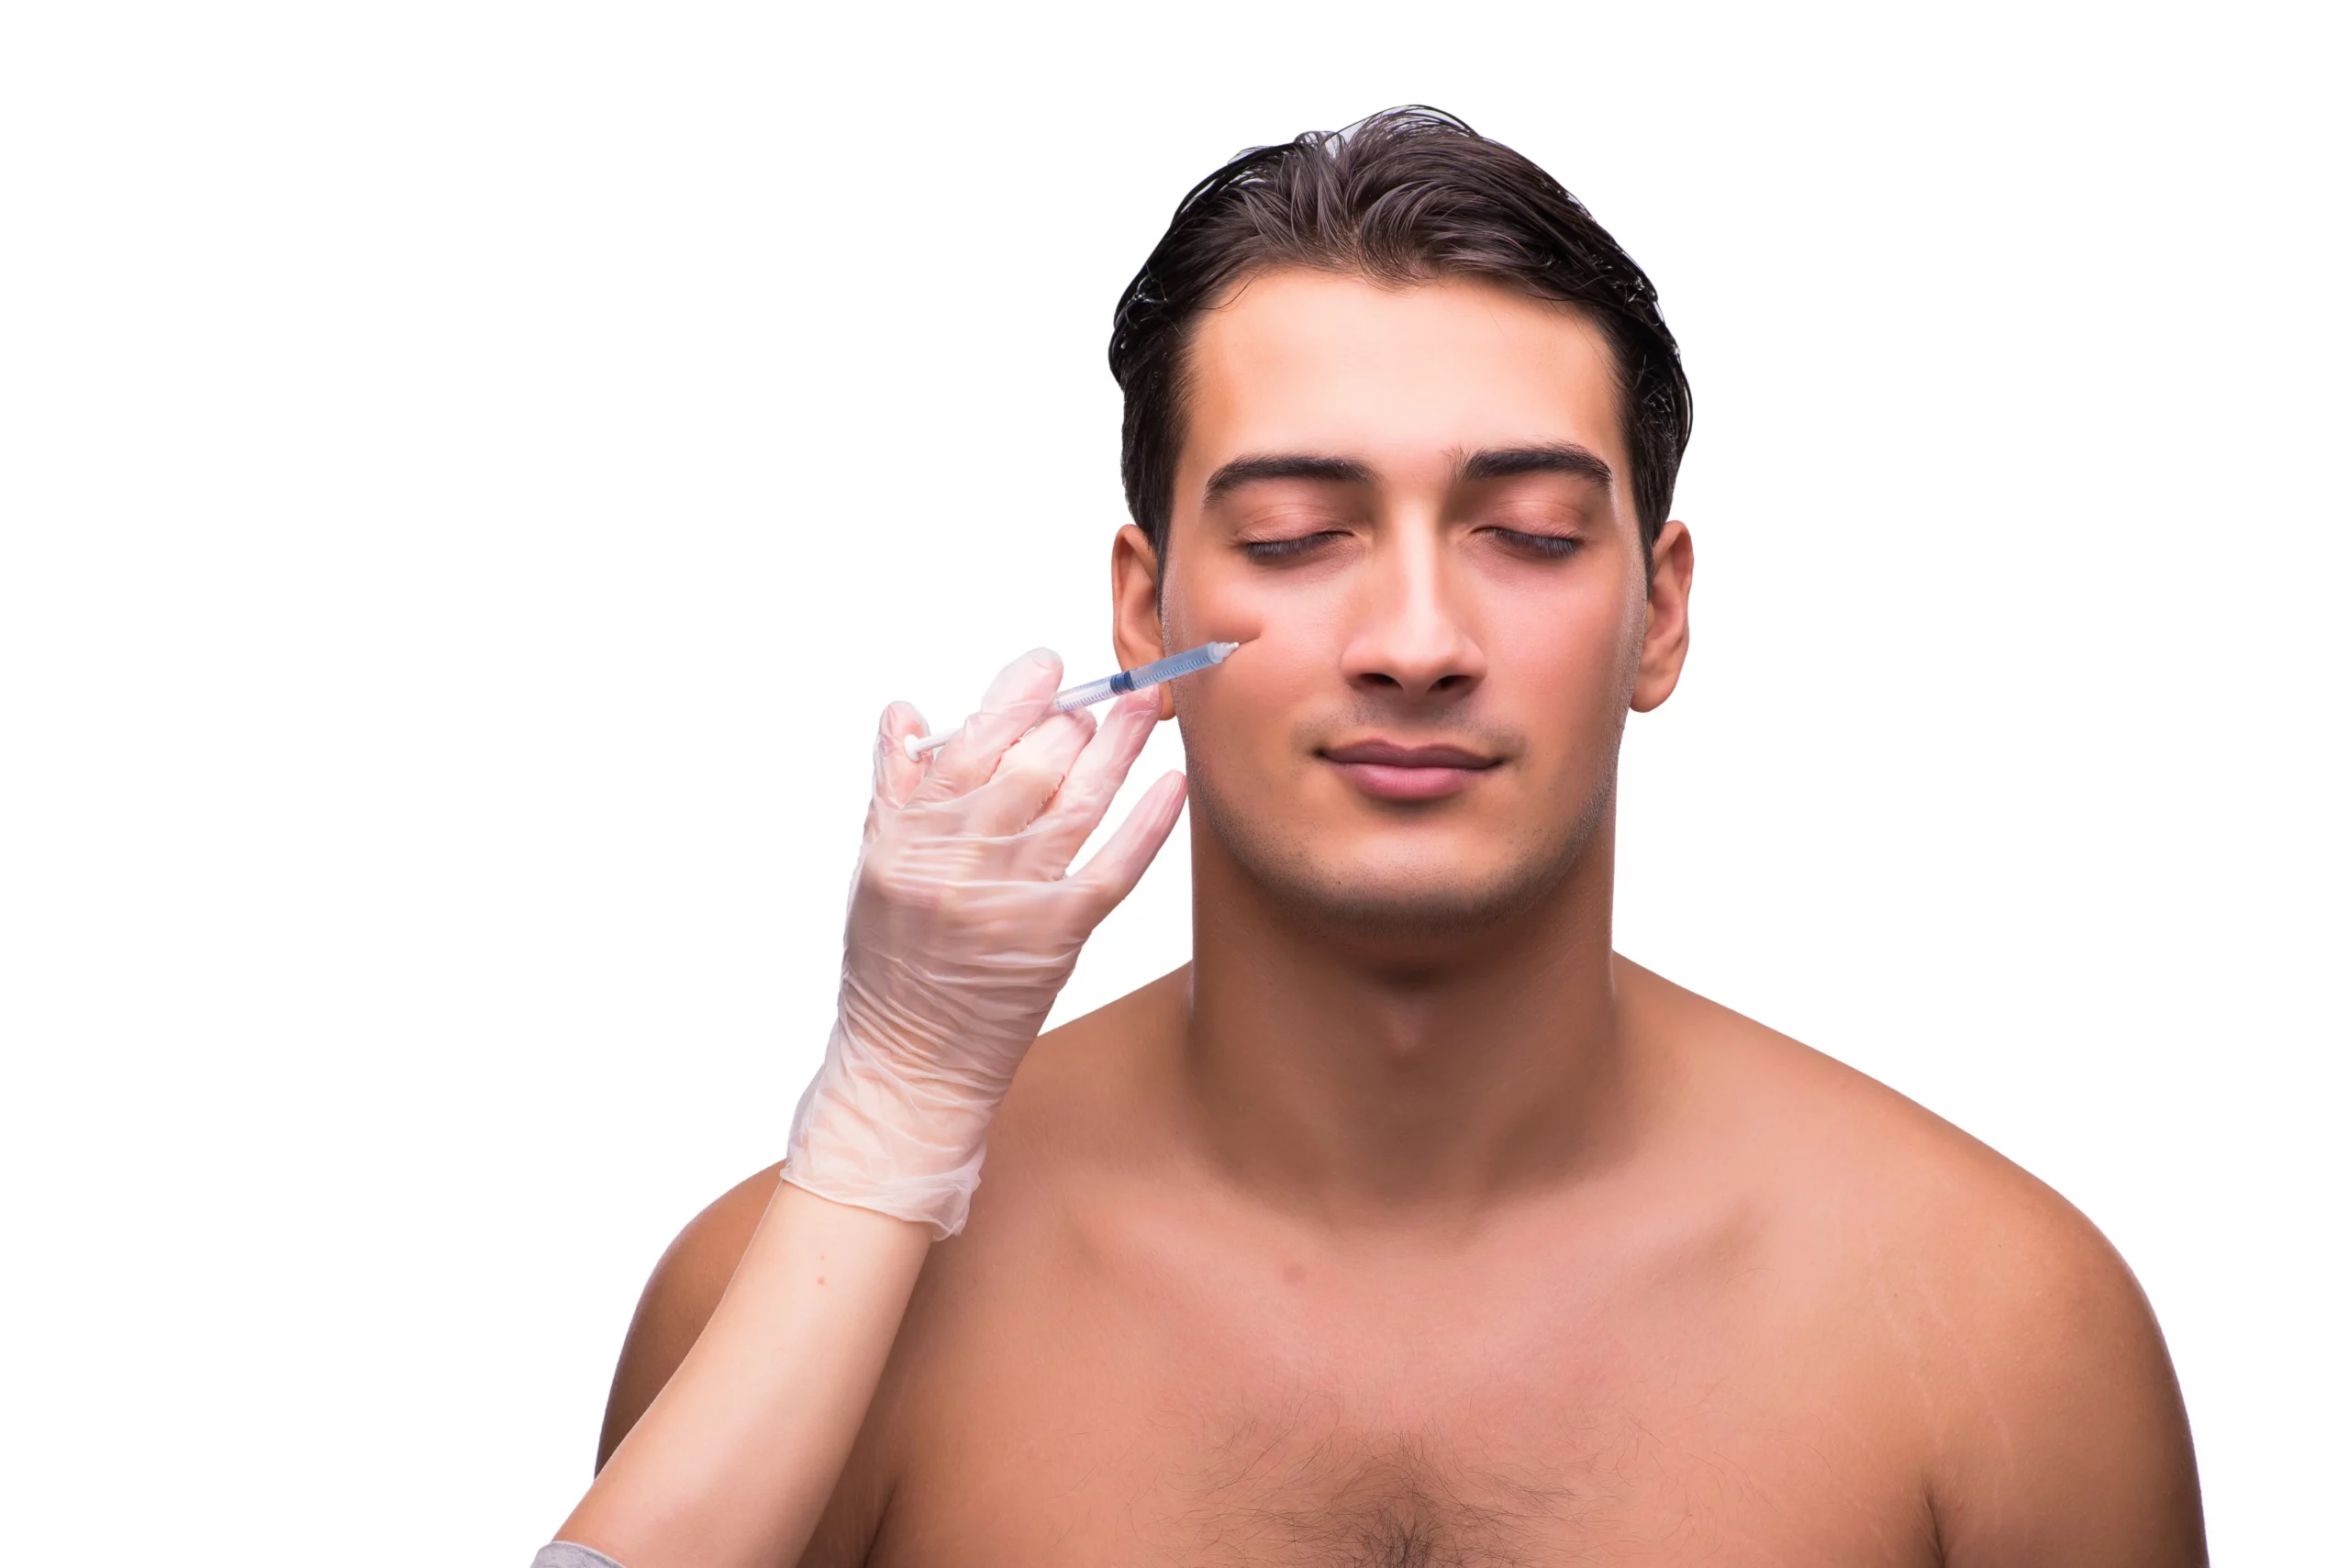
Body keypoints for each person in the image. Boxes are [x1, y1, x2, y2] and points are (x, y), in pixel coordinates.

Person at [539, 108, 2206, 1568]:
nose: (1418, 635)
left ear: (1660, 613)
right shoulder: (794, 1313)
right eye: (1297, 534)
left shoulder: (2002, 1333)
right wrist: (885, 1123)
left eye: (1533, 536)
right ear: (1147, 608)